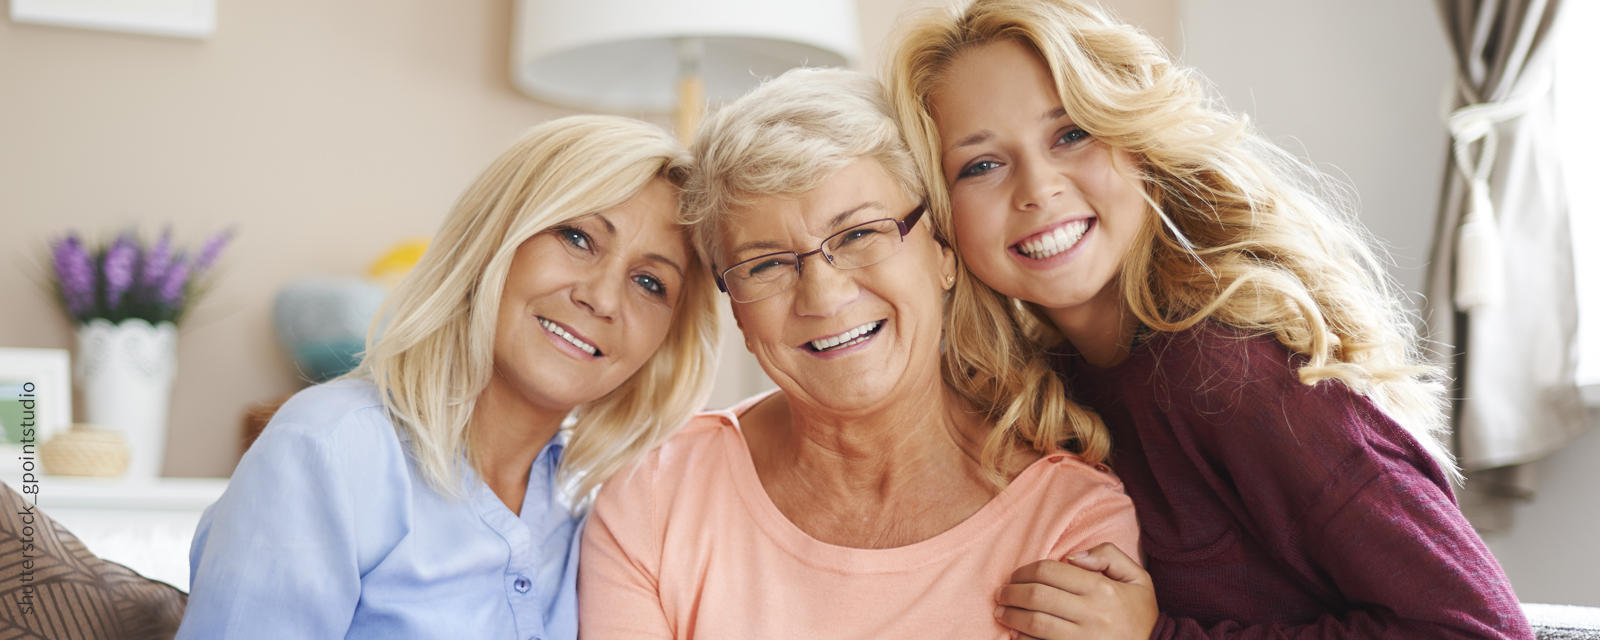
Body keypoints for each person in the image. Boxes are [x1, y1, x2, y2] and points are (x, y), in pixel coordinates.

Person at [886, 1, 1534, 638]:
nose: (1036, 186)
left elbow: (1480, 628)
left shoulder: (1231, 374)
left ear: (1136, 141)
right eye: (982, 165)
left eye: (1071, 133)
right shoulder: (1053, 383)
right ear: (942, 218)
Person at [577, 67, 1140, 639]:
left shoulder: (1070, 522)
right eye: (766, 264)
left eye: (859, 234)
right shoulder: (653, 497)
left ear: (943, 251)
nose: (823, 297)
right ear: (738, 312)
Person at [176, 115, 719, 640]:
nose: (601, 297)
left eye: (649, 282)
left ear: (666, 339)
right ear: (494, 237)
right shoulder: (330, 448)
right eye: (577, 238)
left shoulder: (598, 506)